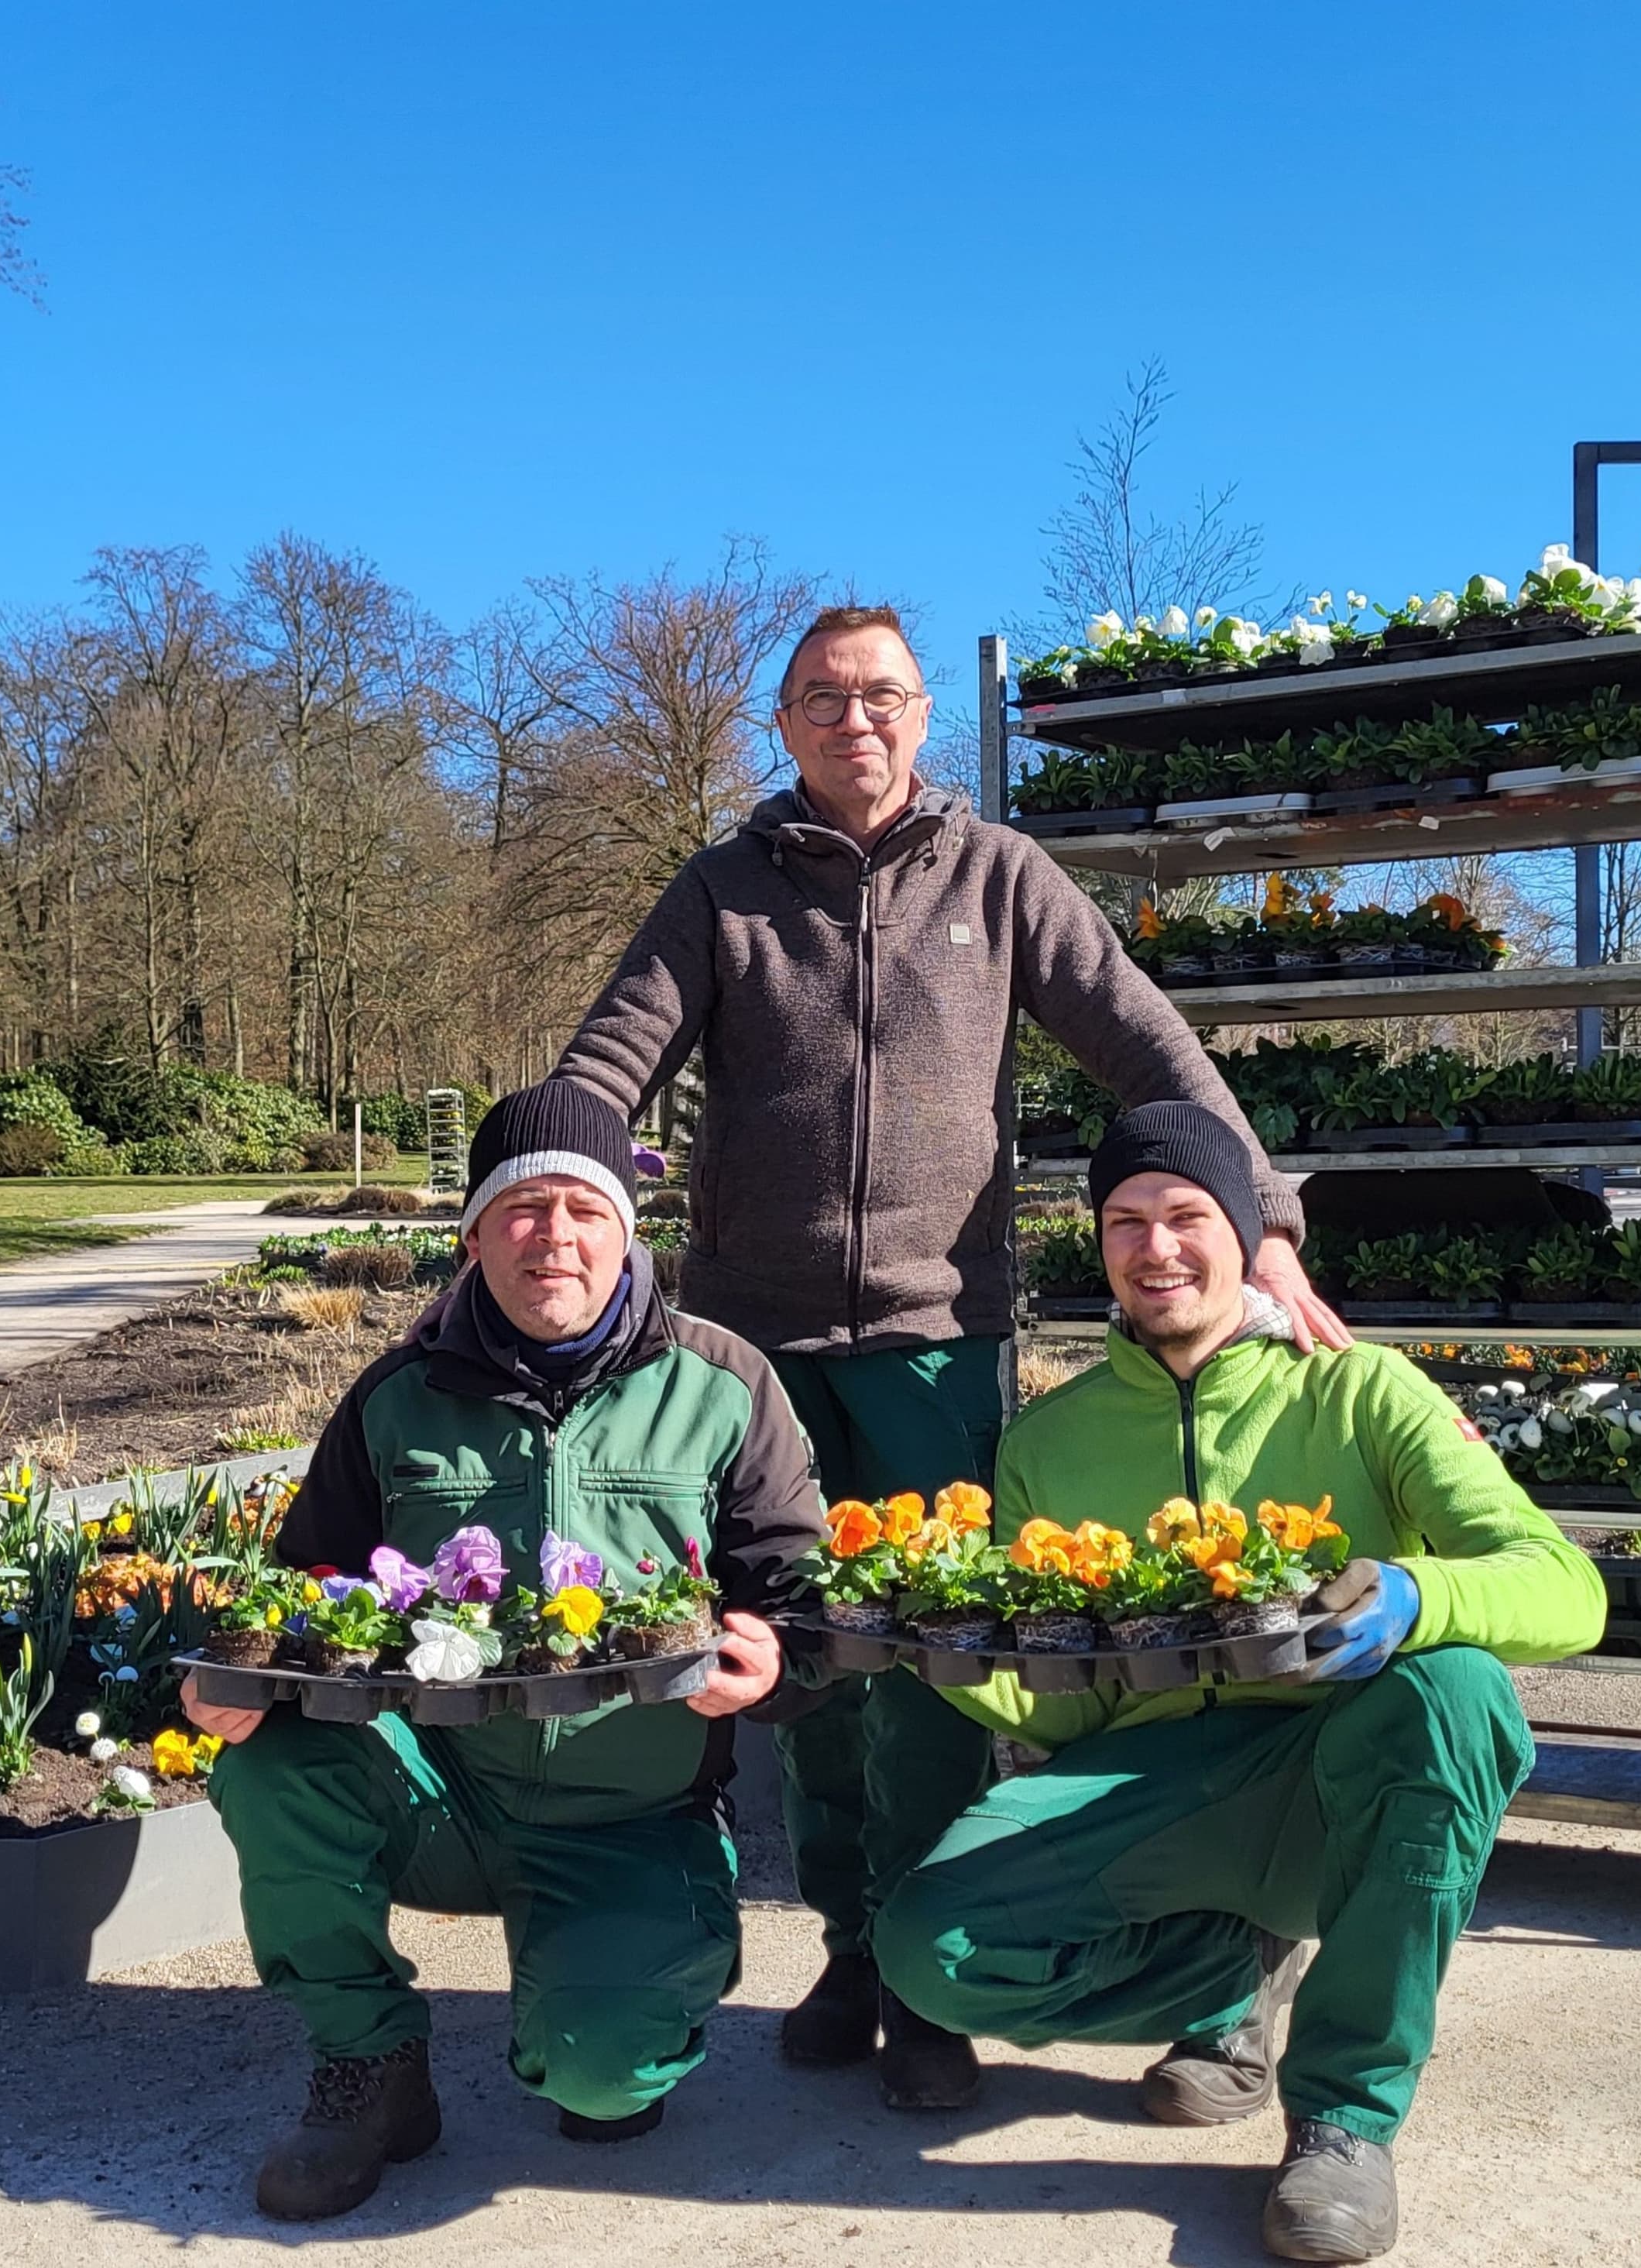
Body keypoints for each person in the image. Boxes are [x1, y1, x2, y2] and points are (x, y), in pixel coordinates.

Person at [554, 601, 1345, 2105]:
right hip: (760, 1351)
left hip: (932, 1341)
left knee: (923, 1662)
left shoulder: (1001, 878)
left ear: (924, 718)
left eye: (884, 697)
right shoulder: (722, 892)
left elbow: (1148, 1043)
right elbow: (610, 1060)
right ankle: (851, 1947)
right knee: (800, 1662)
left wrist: (1271, 1222)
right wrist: (538, 1196)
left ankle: (921, 1978)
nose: (858, 721)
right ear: (782, 725)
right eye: (825, 699)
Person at [869, 1101, 1606, 2263]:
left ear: (1242, 1232)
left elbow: (1567, 1589)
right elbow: (1072, 1708)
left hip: (1336, 1763)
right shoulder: (1046, 1444)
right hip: (1156, 1771)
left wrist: (1418, 1600)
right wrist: (952, 1658)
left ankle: (1344, 2122)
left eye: (1185, 1216)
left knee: (1457, 1695)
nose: (1156, 1249)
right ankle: (1229, 1980)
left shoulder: (1360, 1392)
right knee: (932, 1953)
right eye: (1125, 1223)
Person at [185, 1079, 824, 2222]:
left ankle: (636, 1960)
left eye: (584, 1208)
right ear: (474, 1234)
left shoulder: (723, 1384)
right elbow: (304, 1591)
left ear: (628, 1228)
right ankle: (370, 2064)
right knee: (274, 1768)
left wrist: (775, 1662)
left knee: (604, 2083)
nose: (553, 1237)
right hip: (445, 1789)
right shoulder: (399, 1397)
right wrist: (237, 1685)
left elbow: (799, 1594)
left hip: (633, 1808)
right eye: (521, 1209)